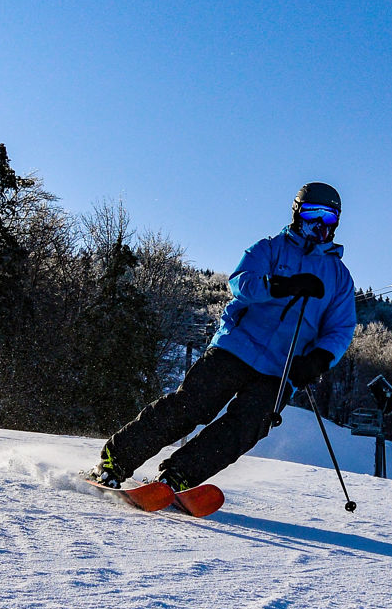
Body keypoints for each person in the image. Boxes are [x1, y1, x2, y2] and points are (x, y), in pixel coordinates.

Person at [88, 182, 357, 490]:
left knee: (245, 428)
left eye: (329, 218)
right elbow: (240, 283)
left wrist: (318, 360)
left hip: (282, 370)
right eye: (312, 214)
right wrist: (283, 285)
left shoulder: (339, 278)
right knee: (191, 406)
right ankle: (115, 460)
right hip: (236, 347)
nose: (319, 225)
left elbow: (341, 329)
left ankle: (179, 476)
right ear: (297, 214)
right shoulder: (269, 248)